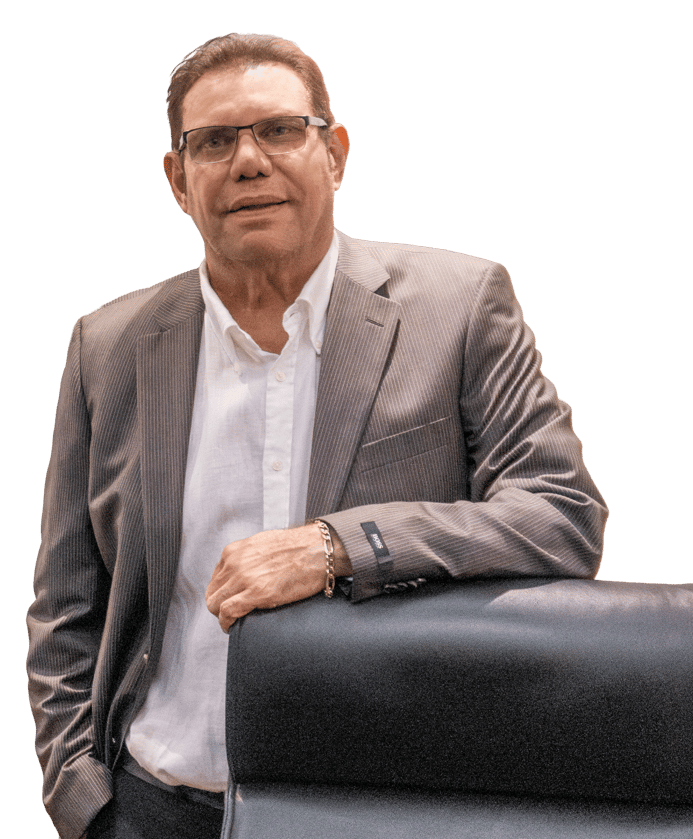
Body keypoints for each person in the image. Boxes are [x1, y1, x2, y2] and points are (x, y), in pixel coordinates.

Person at [26, 32, 609, 839]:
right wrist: (83, 799)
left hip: (381, 804)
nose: (248, 161)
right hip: (156, 804)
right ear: (178, 180)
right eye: (213, 142)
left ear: (334, 154)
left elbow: (561, 515)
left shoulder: (460, 306)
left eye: (279, 130)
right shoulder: (108, 346)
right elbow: (66, 602)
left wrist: (340, 545)